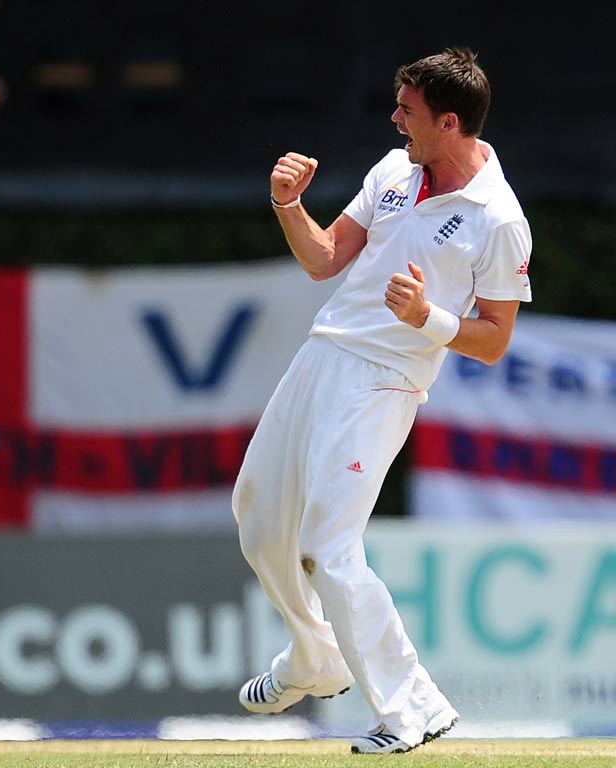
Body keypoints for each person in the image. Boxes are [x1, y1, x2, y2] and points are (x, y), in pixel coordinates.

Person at [232, 47, 531, 755]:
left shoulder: (498, 217)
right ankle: (314, 660)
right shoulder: (396, 168)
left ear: (449, 121)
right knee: (258, 515)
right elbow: (324, 258)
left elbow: (493, 341)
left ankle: (413, 710)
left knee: (328, 547)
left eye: (408, 110)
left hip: (384, 378)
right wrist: (286, 203)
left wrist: (427, 317)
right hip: (323, 352)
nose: (395, 118)